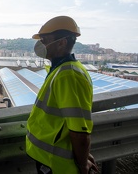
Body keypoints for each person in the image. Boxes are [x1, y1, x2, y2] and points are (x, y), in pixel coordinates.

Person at [26, 16, 99, 174]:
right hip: (47, 157)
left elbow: (79, 130)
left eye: (45, 40)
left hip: (56, 163)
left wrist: (82, 163)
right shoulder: (59, 70)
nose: (40, 45)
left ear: (62, 42)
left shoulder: (69, 75)